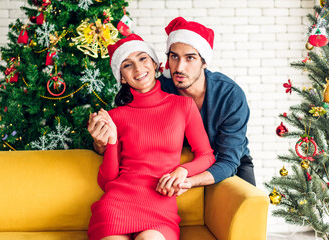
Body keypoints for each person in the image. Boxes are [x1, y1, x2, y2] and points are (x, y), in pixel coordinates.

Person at [88, 17, 255, 196]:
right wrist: (100, 143)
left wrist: (187, 180)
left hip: (227, 162)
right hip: (179, 165)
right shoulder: (158, 87)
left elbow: (229, 161)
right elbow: (127, 129)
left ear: (204, 62)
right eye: (174, 56)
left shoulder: (229, 95)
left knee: (250, 203)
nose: (179, 67)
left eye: (190, 58)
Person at [87, 34, 215, 240]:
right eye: (127, 65)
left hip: (160, 208)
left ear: (155, 63)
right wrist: (110, 141)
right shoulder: (114, 117)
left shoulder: (183, 106)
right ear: (121, 77)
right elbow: (107, 180)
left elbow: (207, 155)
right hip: (116, 206)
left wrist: (183, 171)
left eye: (142, 58)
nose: (138, 69)